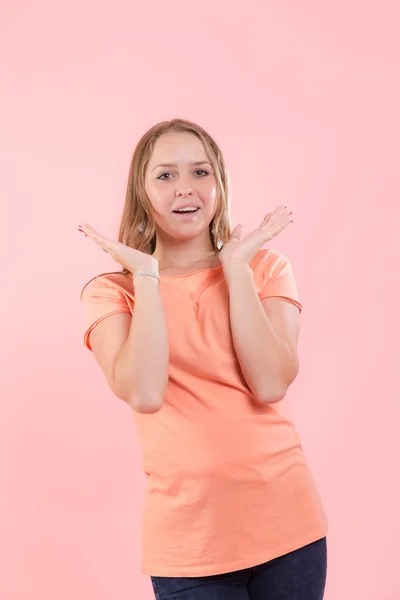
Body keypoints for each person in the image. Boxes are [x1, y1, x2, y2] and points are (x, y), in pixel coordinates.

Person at [79, 118, 328, 600]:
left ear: (219, 183)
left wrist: (235, 271)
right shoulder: (113, 291)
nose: (185, 189)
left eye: (200, 172)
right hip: (189, 545)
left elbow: (271, 383)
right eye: (165, 176)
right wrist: (148, 276)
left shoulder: (264, 268)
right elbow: (145, 392)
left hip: (288, 525)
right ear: (141, 190)